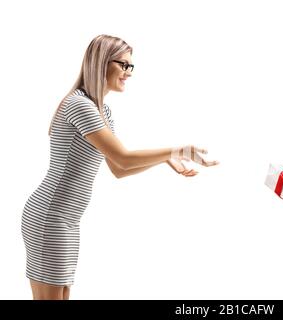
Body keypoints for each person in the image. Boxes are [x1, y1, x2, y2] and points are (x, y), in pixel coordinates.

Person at [21, 35, 219, 300]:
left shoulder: (102, 111)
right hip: (51, 217)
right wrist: (175, 150)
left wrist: (163, 159)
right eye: (123, 65)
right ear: (102, 62)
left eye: (130, 66)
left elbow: (119, 168)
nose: (129, 73)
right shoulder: (80, 105)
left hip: (66, 219)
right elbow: (123, 158)